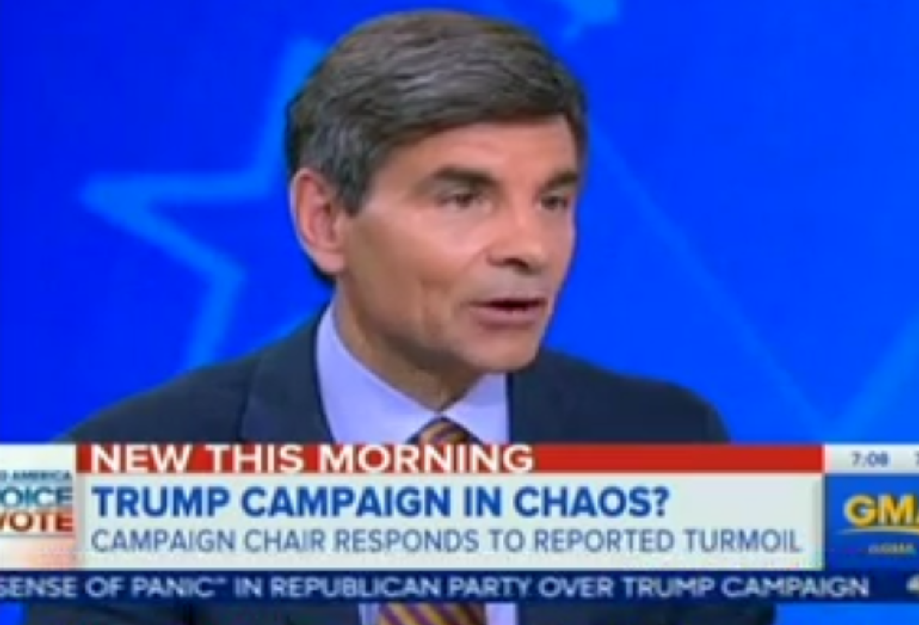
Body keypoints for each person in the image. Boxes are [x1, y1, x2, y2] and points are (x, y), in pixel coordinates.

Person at [23, 9, 775, 625]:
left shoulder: (670, 442)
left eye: (554, 200)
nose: (531, 247)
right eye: (464, 198)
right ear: (325, 220)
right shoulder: (111, 477)